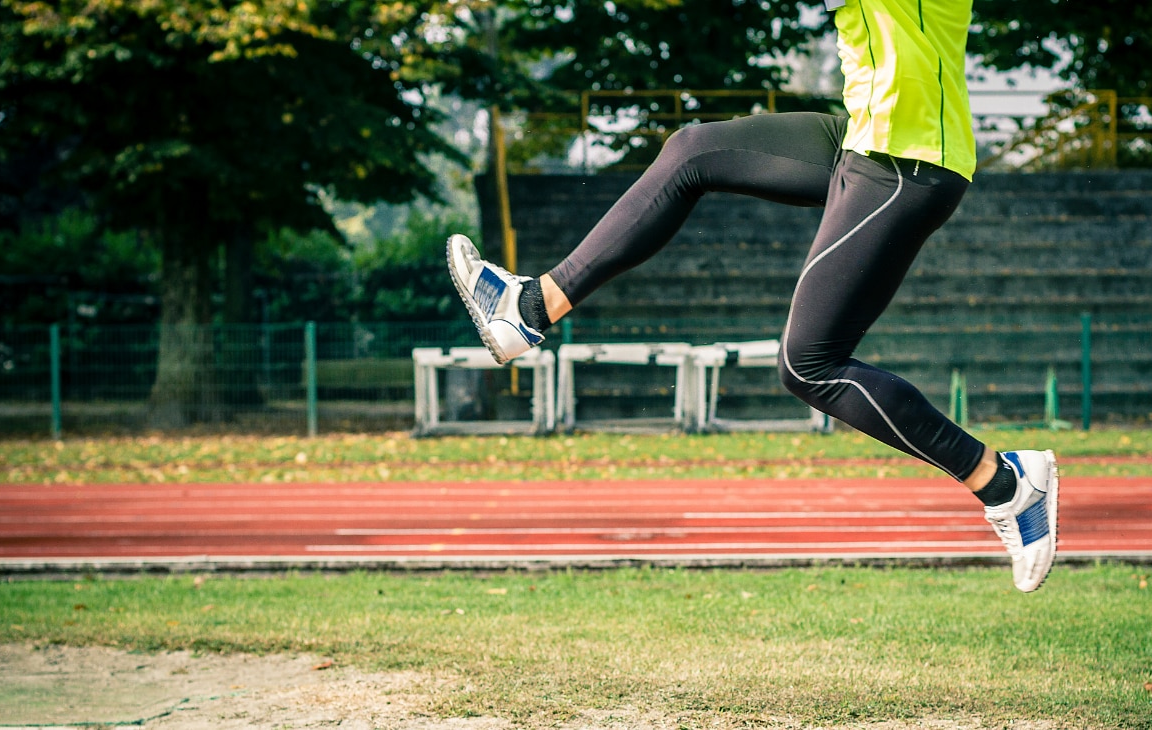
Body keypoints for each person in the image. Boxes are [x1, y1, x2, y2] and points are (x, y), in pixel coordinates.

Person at [447, 0, 1058, 592]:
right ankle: (527, 308)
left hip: (906, 160)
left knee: (807, 364)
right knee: (692, 151)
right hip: (868, 135)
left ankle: (1005, 483)